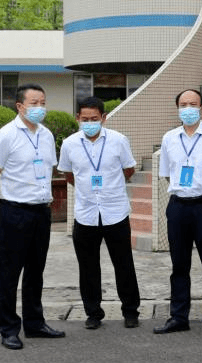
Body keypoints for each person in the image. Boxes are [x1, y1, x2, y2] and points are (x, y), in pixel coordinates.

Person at [0, 83, 66, 350]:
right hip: (14, 211)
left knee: (36, 271)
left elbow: (46, 171)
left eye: (43, 102)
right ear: (19, 106)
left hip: (41, 211)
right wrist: (3, 206)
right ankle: (9, 329)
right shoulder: (5, 135)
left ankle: (34, 323)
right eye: (34, 103)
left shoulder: (45, 134)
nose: (40, 108)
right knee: (9, 272)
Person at [58, 97, 142, 330]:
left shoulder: (118, 141)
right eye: (85, 119)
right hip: (85, 214)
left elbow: (129, 169)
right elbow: (68, 174)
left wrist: (110, 187)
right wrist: (89, 190)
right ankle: (93, 312)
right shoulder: (69, 144)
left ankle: (130, 311)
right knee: (88, 267)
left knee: (123, 263)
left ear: (104, 118)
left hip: (115, 212)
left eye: (94, 119)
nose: (90, 123)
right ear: (78, 118)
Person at [155, 89, 202, 339]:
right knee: (179, 265)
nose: (188, 108)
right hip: (178, 206)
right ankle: (179, 317)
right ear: (177, 108)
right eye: (183, 104)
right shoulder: (169, 138)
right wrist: (185, 189)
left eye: (193, 104)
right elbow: (168, 173)